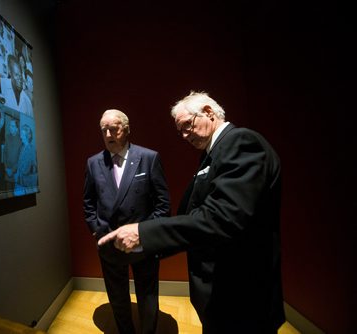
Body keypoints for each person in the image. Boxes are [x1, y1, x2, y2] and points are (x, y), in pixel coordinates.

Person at [98, 91, 285, 334]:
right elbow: (195, 215)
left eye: (188, 125)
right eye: (181, 131)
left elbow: (221, 218)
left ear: (208, 112)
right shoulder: (212, 153)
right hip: (223, 293)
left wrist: (143, 233)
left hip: (242, 291)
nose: (185, 136)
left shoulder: (241, 143)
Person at [84, 109, 170, 334]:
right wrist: (98, 232)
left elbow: (163, 204)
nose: (109, 134)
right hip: (109, 241)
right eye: (104, 130)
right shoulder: (94, 163)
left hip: (143, 242)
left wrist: (146, 234)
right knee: (117, 295)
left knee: (147, 294)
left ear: (127, 129)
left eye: (114, 128)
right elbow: (88, 202)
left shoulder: (148, 158)